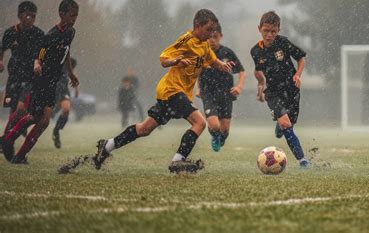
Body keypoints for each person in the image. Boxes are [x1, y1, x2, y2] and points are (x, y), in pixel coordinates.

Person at [89, 9, 233, 174]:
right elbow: (163, 59)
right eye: (208, 30)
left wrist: (222, 65)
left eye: (213, 31)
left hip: (173, 93)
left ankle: (107, 146)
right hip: (172, 90)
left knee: (144, 129)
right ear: (197, 26)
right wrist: (175, 60)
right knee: (200, 123)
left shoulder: (205, 45)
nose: (211, 34)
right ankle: (178, 161)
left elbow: (211, 60)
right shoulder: (186, 40)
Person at [1, 0, 80, 163]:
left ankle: (12, 145)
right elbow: (40, 54)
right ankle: (10, 142)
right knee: (38, 118)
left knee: (40, 120)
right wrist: (37, 64)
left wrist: (71, 73)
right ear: (61, 14)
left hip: (54, 80)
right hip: (42, 80)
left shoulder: (70, 32)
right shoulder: (51, 35)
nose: (74, 19)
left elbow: (66, 51)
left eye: (76, 16)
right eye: (72, 15)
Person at [250, 11, 310, 168]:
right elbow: (258, 71)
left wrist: (297, 75)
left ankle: (280, 126)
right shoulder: (255, 51)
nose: (269, 35)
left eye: (273, 31)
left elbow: (301, 58)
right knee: (286, 124)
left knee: (286, 126)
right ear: (259, 29)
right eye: (266, 31)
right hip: (273, 92)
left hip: (291, 90)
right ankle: (303, 161)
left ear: (278, 30)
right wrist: (260, 86)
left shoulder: (283, 43)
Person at [0, 1, 44, 144]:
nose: (30, 18)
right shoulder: (11, 33)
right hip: (14, 77)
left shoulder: (38, 34)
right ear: (19, 16)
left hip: (31, 79)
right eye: (27, 15)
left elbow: (43, 53)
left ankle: (6, 139)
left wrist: (38, 62)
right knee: (13, 110)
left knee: (21, 109)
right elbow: (2, 49)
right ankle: (7, 141)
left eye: (33, 16)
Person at [196, 22, 245, 152]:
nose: (212, 40)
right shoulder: (202, 53)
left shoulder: (227, 53)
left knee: (225, 130)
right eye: (209, 37)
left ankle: (220, 137)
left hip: (226, 94)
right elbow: (197, 71)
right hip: (208, 93)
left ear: (221, 36)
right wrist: (199, 88)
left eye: (215, 37)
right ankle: (215, 135)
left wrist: (239, 87)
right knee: (214, 125)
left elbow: (241, 71)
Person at [52, 57, 79, 148]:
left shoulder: (69, 65)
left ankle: (56, 131)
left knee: (66, 109)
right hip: (52, 90)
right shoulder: (56, 63)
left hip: (63, 91)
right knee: (45, 117)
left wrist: (76, 88)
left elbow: (73, 75)